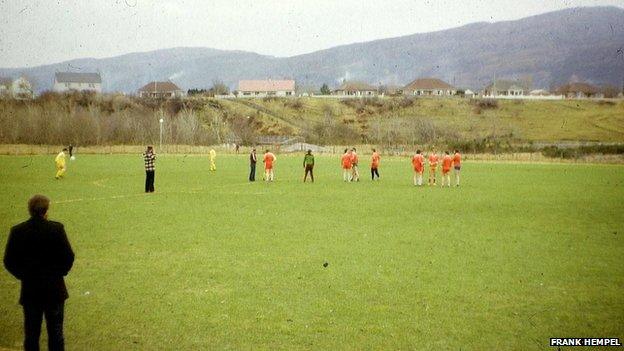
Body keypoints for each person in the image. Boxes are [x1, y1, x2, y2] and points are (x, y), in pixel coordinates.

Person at [4, 194, 74, 351]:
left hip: (30, 290)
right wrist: (60, 272)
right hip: (55, 289)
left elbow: (9, 260)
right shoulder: (56, 229)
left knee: (31, 334)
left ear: (30, 210)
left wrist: (23, 275)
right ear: (46, 211)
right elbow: (69, 256)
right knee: (56, 333)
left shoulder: (18, 231)